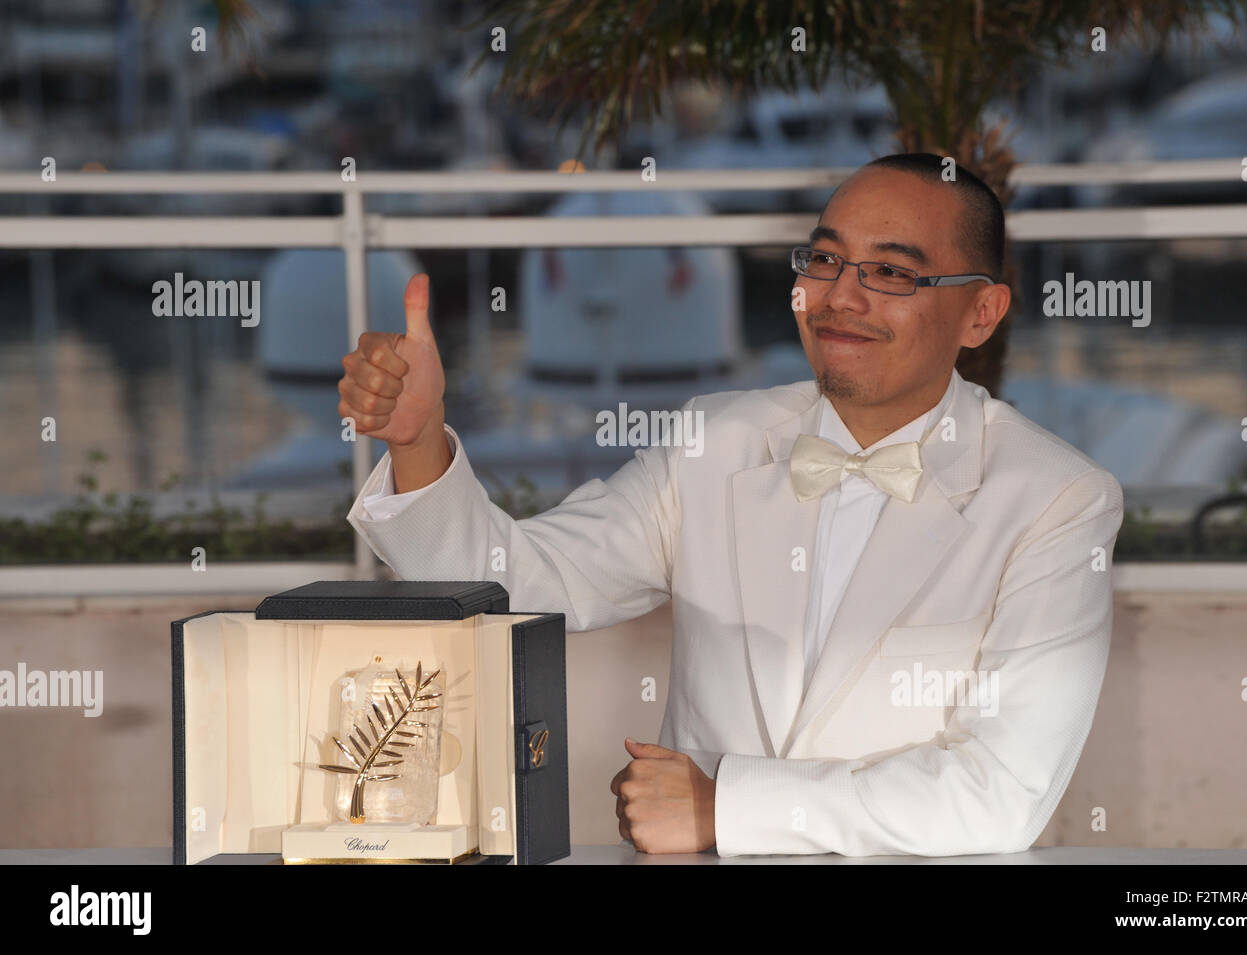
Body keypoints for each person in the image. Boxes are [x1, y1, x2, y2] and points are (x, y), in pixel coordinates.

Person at [337, 153, 1124, 858]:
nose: (840, 297)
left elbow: (1001, 796)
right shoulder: (712, 441)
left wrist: (725, 808)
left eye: (891, 273)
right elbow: (517, 580)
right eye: (825, 259)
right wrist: (417, 441)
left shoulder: (1058, 500)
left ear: (981, 313)